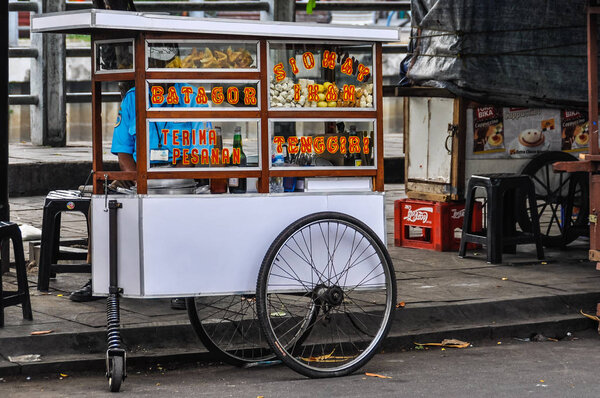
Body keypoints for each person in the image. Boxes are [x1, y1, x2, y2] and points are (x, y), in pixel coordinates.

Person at [70, 49, 211, 309]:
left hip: (180, 176)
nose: (157, 71)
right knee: (100, 201)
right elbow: (123, 149)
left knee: (188, 210)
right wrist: (133, 177)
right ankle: (99, 276)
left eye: (163, 65)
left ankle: (183, 283)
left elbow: (204, 147)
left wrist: (182, 169)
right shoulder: (133, 99)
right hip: (139, 173)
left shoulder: (193, 96)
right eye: (153, 65)